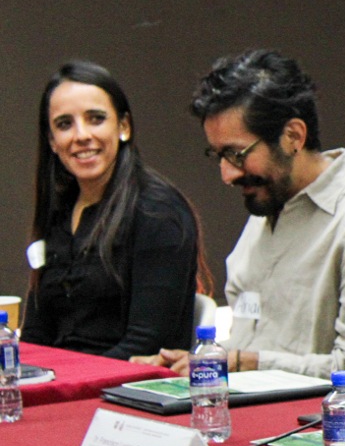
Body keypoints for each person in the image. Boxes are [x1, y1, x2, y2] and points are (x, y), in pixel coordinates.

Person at [135, 50, 345, 378]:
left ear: (293, 137)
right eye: (218, 155)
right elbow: (251, 343)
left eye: (235, 154)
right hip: (245, 405)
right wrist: (197, 362)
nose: (227, 175)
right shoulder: (267, 209)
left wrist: (244, 362)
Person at [23, 61, 208, 359]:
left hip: (126, 390)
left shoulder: (158, 213)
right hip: (60, 385)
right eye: (64, 124)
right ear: (52, 141)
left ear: (124, 127)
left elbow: (146, 346)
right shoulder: (58, 211)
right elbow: (35, 337)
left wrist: (62, 385)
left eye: (95, 119)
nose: (81, 135)